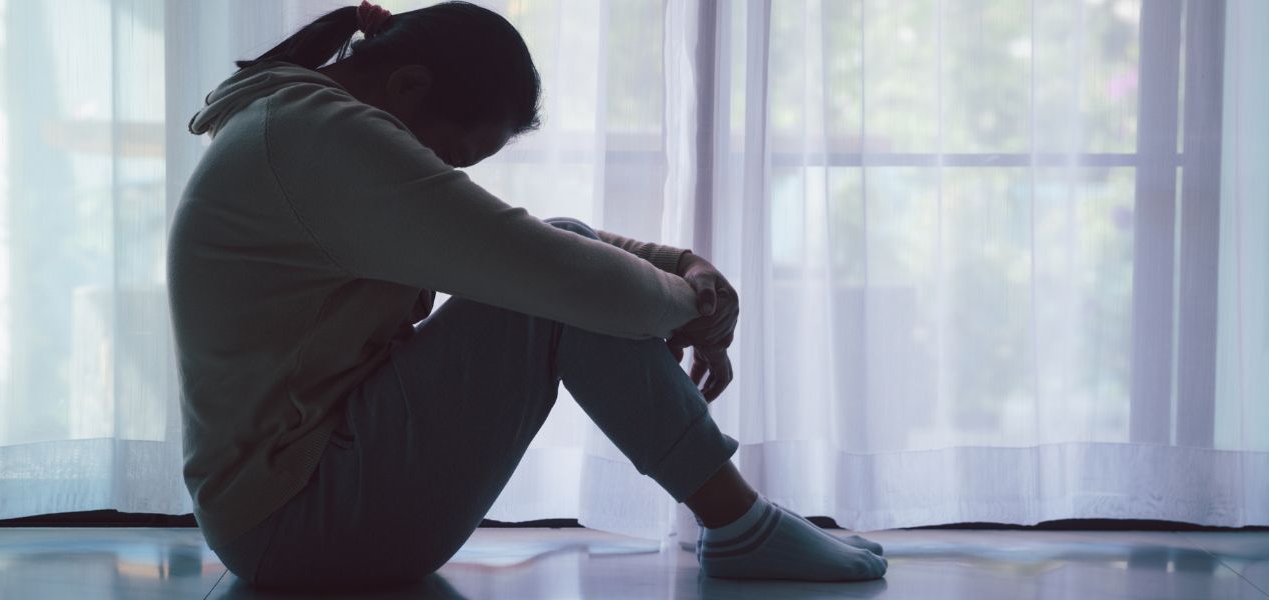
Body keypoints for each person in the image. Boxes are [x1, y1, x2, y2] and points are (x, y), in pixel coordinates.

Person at [168, 1, 887, 592]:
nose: (439, 172)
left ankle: (737, 525)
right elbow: (549, 271)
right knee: (552, 294)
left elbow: (529, 243)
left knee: (557, 273)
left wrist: (686, 268)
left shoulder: (302, 125)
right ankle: (739, 527)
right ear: (408, 85)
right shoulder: (315, 141)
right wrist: (696, 308)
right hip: (296, 528)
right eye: (448, 158)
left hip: (295, 500)